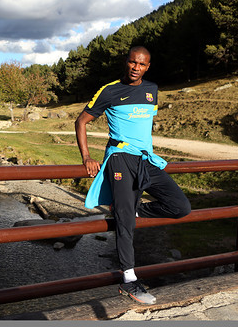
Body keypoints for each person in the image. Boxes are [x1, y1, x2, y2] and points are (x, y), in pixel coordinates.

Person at [75, 46, 191, 305]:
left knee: (180, 206)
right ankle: (129, 281)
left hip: (145, 159)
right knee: (125, 222)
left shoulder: (152, 90)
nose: (136, 67)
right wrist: (86, 157)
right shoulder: (110, 90)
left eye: (141, 64)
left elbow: (144, 126)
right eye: (132, 62)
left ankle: (133, 211)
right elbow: (81, 121)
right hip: (120, 158)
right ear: (126, 62)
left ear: (147, 66)